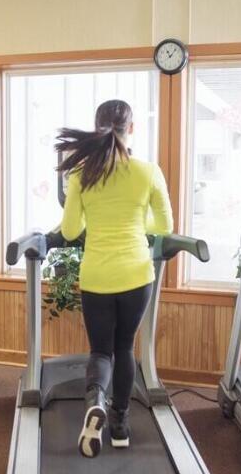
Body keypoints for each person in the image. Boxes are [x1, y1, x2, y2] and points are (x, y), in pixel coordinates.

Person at [57, 100, 173, 458]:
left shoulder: (80, 174)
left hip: (97, 277)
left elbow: (70, 229)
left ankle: (96, 402)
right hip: (138, 275)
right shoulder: (148, 170)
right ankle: (120, 426)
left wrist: (97, 221)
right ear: (132, 129)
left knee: (100, 350)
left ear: (97, 130)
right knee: (125, 347)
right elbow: (165, 227)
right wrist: (138, 226)